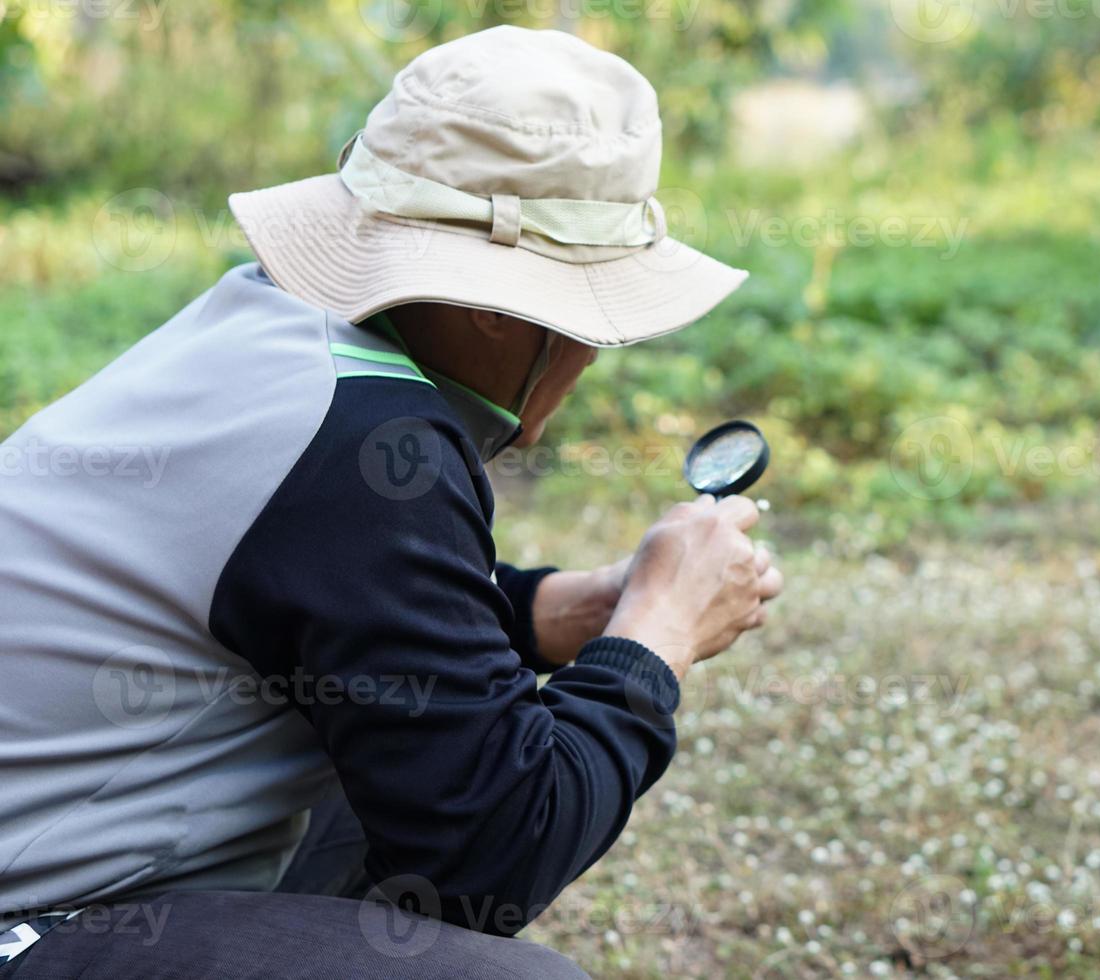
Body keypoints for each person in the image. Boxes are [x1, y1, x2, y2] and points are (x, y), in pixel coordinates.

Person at [0, 26, 781, 978]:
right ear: (503, 307)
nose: (588, 354)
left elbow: (315, 594)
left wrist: (559, 611)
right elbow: (497, 852)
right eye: (592, 316)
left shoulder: (273, 329)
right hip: (27, 917)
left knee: (405, 766)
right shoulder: (366, 440)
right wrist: (655, 634)